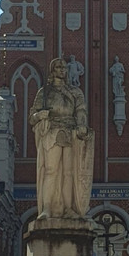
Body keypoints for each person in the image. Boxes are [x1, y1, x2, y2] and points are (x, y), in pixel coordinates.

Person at [29, 58, 94, 219]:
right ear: (52, 70)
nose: (62, 70)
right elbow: (32, 117)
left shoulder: (75, 92)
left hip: (71, 132)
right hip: (53, 131)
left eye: (64, 67)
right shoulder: (44, 92)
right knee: (51, 170)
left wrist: (82, 125)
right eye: (58, 67)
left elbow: (81, 110)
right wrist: (39, 115)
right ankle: (47, 208)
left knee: (69, 173)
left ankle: (68, 209)